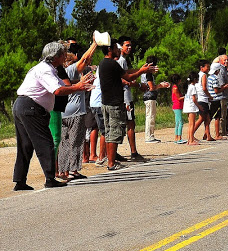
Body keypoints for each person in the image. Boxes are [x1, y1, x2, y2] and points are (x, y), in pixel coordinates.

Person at [12, 41, 94, 190]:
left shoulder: (47, 68)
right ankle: (50, 179)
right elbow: (57, 90)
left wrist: (80, 85)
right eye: (63, 54)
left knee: (25, 145)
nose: (65, 57)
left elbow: (63, 86)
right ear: (55, 56)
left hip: (23, 105)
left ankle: (20, 181)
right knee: (46, 143)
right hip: (31, 108)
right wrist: (78, 86)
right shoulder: (45, 70)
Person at [100, 39, 158, 171]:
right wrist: (142, 72)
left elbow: (123, 76)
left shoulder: (103, 63)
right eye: (115, 47)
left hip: (106, 102)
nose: (118, 49)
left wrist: (141, 69)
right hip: (114, 103)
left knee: (109, 132)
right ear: (110, 49)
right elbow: (129, 77)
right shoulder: (113, 64)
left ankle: (111, 160)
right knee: (115, 132)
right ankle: (111, 162)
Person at [57, 40, 98, 181]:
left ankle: (63, 171)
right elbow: (84, 59)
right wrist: (94, 44)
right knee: (76, 142)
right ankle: (73, 170)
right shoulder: (72, 71)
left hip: (63, 112)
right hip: (76, 112)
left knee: (64, 143)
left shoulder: (60, 73)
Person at [117, 36, 143, 161]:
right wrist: (137, 83)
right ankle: (133, 151)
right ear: (120, 46)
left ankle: (114, 152)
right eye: (127, 45)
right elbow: (124, 79)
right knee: (130, 123)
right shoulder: (121, 60)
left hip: (123, 96)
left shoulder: (122, 61)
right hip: (125, 96)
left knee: (123, 124)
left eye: (130, 45)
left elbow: (127, 73)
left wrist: (141, 70)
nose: (129, 48)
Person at [141, 55, 170, 143]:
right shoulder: (148, 73)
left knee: (149, 116)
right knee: (150, 117)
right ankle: (149, 137)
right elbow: (151, 87)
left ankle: (150, 135)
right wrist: (160, 85)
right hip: (149, 97)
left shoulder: (143, 72)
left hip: (147, 97)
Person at [183, 71, 200, 145]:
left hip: (187, 105)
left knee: (190, 124)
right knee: (192, 124)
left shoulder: (189, 86)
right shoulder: (193, 87)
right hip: (191, 106)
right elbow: (194, 98)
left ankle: (190, 139)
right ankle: (191, 140)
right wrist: (199, 106)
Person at [170, 74, 186, 144]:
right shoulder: (175, 88)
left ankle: (176, 137)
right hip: (177, 106)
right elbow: (178, 98)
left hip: (177, 106)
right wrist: (186, 96)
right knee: (180, 122)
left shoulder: (174, 87)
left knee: (177, 122)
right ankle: (179, 137)